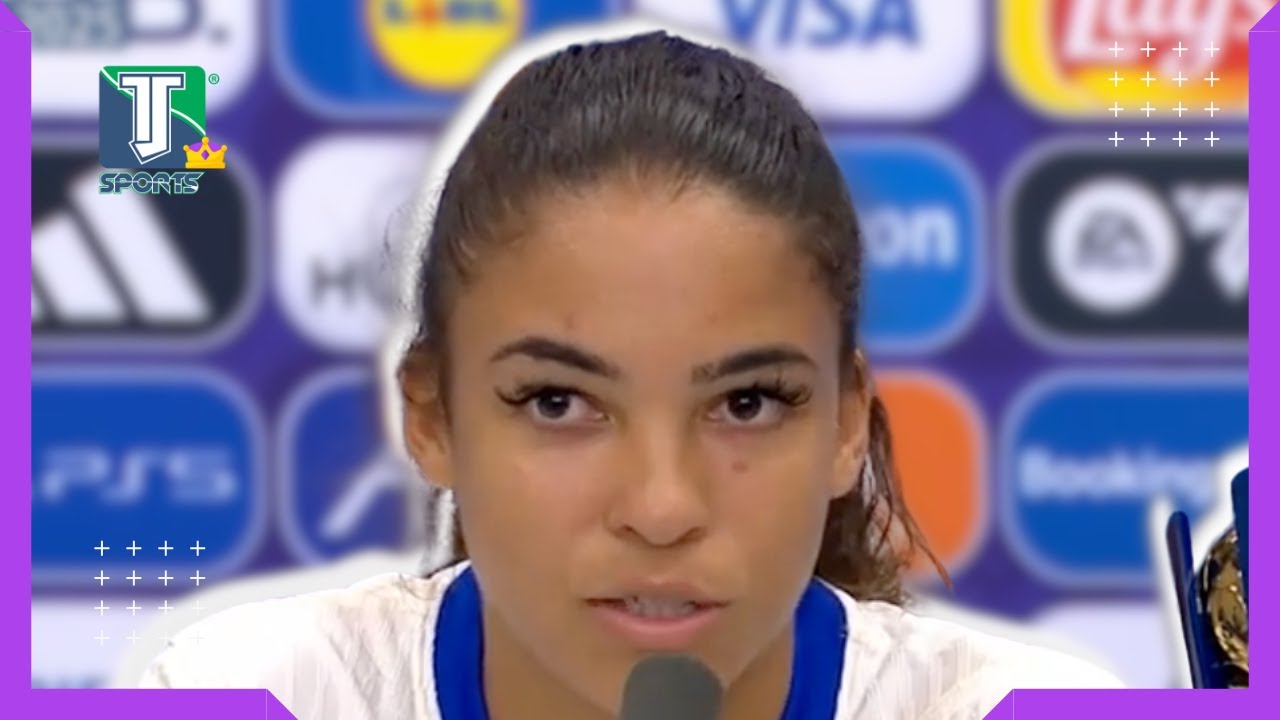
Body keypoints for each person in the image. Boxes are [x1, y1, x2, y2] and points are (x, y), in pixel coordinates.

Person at [138, 28, 1124, 720]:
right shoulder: (247, 696)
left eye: (746, 403)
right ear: (432, 416)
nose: (661, 508)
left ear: (843, 424)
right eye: (558, 402)